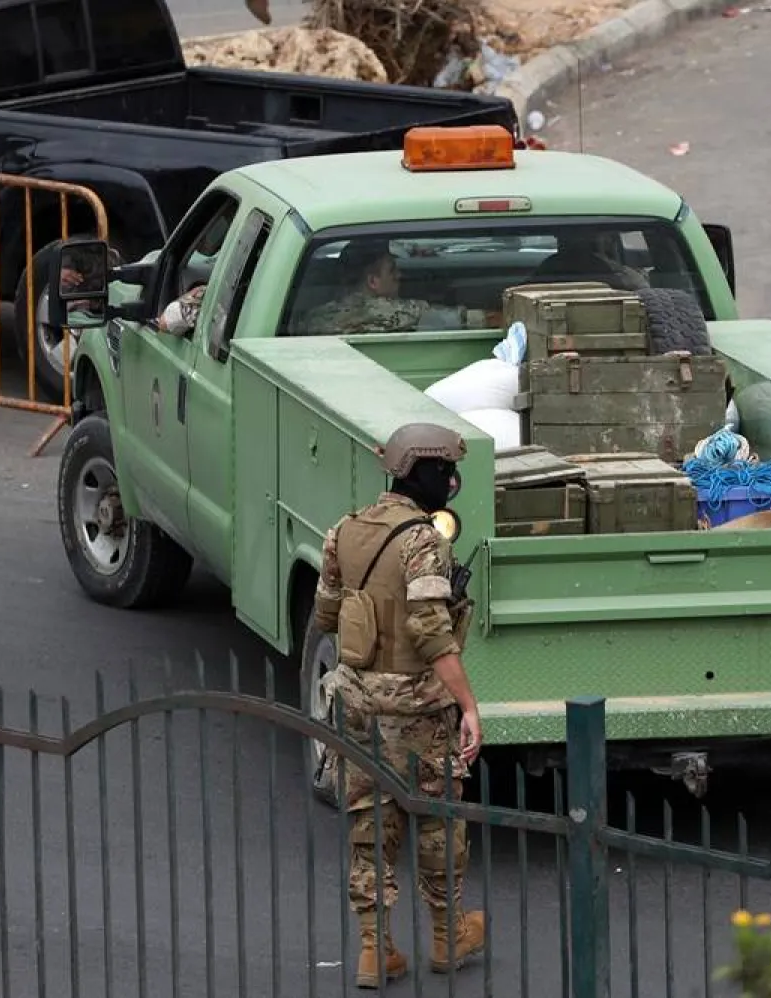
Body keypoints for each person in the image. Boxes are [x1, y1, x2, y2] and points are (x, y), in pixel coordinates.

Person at [312, 422, 487, 988]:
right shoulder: (423, 542)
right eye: (448, 473)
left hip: (357, 707)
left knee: (370, 823)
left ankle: (373, 950)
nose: (453, 482)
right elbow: (432, 630)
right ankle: (446, 936)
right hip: (416, 711)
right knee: (437, 821)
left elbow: (326, 614)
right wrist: (467, 706)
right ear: (427, 474)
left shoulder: (345, 529)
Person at [297, 242, 456, 335]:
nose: (399, 275)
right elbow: (452, 319)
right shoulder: (392, 312)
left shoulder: (312, 317)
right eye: (392, 270)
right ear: (373, 281)